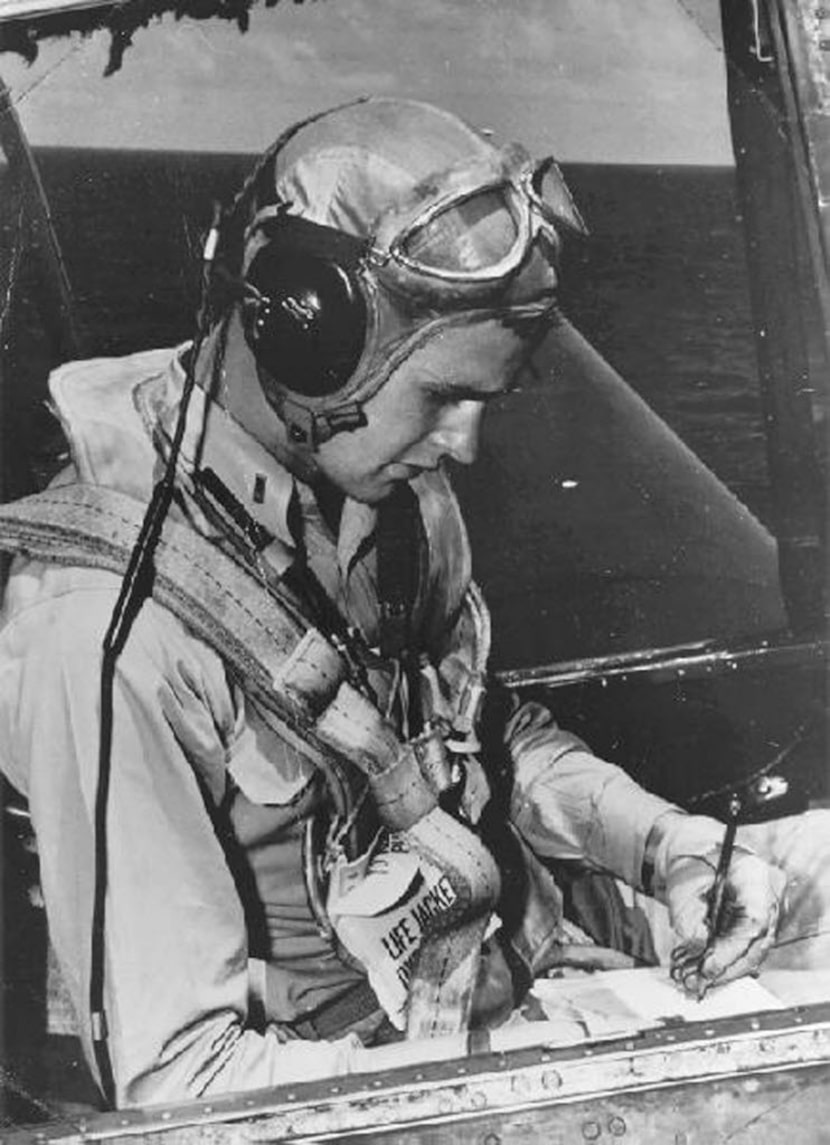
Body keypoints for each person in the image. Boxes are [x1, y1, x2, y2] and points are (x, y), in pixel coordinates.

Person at [0, 96, 826, 1111]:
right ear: (307, 333)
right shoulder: (102, 628)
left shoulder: (384, 481)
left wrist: (669, 847)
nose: (465, 445)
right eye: (441, 396)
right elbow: (181, 1088)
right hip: (388, 1076)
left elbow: (476, 735)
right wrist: (549, 1081)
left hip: (537, 953)